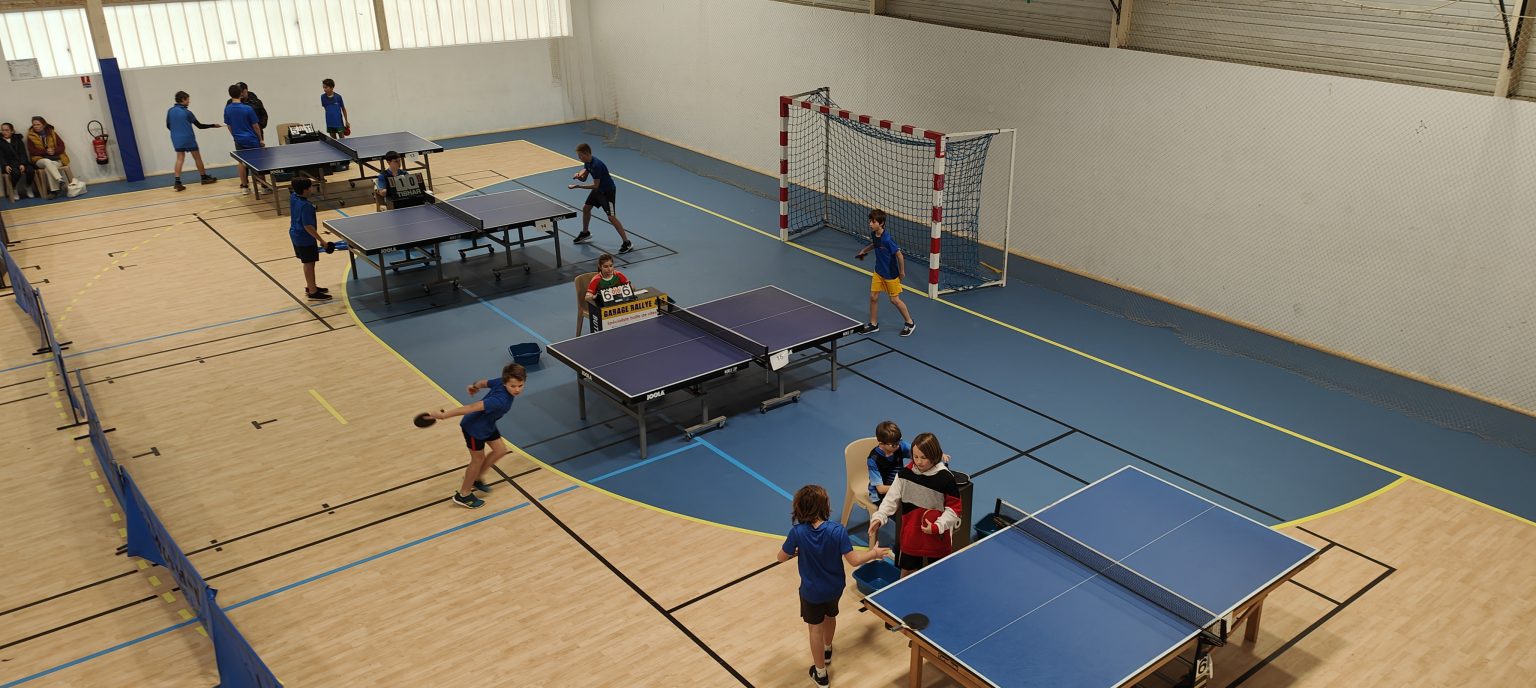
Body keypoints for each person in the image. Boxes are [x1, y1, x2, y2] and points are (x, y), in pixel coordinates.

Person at [777, 485, 890, 687]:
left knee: (815, 629)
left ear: (799, 507)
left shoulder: (797, 533)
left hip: (811, 592)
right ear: (824, 506)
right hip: (834, 588)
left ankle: (821, 674)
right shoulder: (837, 531)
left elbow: (781, 557)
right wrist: (874, 553)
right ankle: (827, 649)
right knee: (830, 617)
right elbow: (854, 561)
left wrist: (795, 551)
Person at [430, 363, 526, 509]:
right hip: (474, 428)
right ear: (505, 383)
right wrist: (443, 415)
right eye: (513, 386)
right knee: (477, 459)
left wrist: (474, 386)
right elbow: (471, 407)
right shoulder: (499, 401)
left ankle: (476, 478)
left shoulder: (500, 381)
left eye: (520, 385)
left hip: (487, 424)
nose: (517, 389)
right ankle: (463, 494)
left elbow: (483, 383)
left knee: (500, 450)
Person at [867, 433, 960, 578]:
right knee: (907, 576)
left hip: (937, 540)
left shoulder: (946, 478)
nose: (919, 461)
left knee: (938, 578)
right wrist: (879, 517)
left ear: (934, 455)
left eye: (924, 457)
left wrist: (937, 526)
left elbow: (954, 510)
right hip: (911, 538)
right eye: (915, 457)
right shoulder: (904, 475)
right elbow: (890, 500)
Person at [854, 208, 915, 337]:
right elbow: (874, 244)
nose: (870, 224)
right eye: (870, 221)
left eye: (873, 222)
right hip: (878, 272)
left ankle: (910, 323)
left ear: (881, 223)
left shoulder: (887, 239)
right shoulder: (874, 234)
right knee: (873, 297)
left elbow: (899, 255)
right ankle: (873, 324)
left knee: (894, 300)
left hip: (890, 274)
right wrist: (864, 250)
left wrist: (902, 272)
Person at [568, 143, 631, 254]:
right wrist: (578, 176)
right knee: (586, 208)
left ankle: (627, 242)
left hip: (607, 192)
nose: (579, 158)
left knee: (611, 217)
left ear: (587, 153)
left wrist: (578, 186)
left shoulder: (597, 165)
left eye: (580, 155)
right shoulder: (587, 162)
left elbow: (595, 185)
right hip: (598, 190)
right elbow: (584, 177)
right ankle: (585, 233)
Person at [165, 91, 221, 191]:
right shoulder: (187, 112)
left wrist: (177, 133)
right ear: (183, 99)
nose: (189, 101)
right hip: (188, 138)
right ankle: (204, 177)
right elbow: (199, 126)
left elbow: (168, 125)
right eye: (188, 99)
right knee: (197, 157)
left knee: (179, 159)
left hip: (176, 138)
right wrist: (213, 125)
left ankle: (177, 182)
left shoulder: (170, 111)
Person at [287, 178, 331, 302]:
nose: (312, 189)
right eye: (310, 187)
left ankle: (311, 286)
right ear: (305, 190)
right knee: (309, 263)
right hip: (305, 238)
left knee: (308, 262)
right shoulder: (306, 206)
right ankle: (312, 292)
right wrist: (322, 241)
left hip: (295, 234)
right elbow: (308, 226)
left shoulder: (293, 196)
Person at [223, 84, 263, 193]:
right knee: (259, 161)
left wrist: (235, 136)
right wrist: (260, 139)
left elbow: (229, 126)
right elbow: (256, 126)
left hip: (238, 140)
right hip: (252, 139)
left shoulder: (227, 109)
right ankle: (264, 187)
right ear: (241, 93)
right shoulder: (248, 108)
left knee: (241, 162)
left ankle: (245, 187)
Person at [866, 420, 910, 506]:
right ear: (881, 443)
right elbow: (881, 489)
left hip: (897, 484)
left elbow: (918, 452)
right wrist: (903, 488)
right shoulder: (873, 460)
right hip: (880, 495)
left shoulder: (900, 445)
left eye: (899, 441)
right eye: (894, 445)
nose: (898, 446)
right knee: (901, 508)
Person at [25, 117, 70, 199]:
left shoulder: (52, 133)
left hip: (55, 159)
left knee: (48, 167)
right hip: (39, 160)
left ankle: (54, 191)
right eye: (34, 125)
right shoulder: (30, 136)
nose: (36, 126)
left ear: (44, 125)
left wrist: (54, 151)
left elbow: (62, 146)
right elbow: (32, 151)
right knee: (46, 161)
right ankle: (60, 180)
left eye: (38, 124)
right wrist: (45, 151)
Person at [0, 122, 37, 200]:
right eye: (2, 130)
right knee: (16, 173)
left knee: (30, 170)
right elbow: (1, 156)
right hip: (9, 164)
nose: (4, 132)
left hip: (21, 162)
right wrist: (5, 165)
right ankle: (14, 188)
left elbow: (23, 153)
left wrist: (23, 163)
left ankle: (28, 186)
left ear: (12, 131)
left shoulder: (18, 139)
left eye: (6, 130)